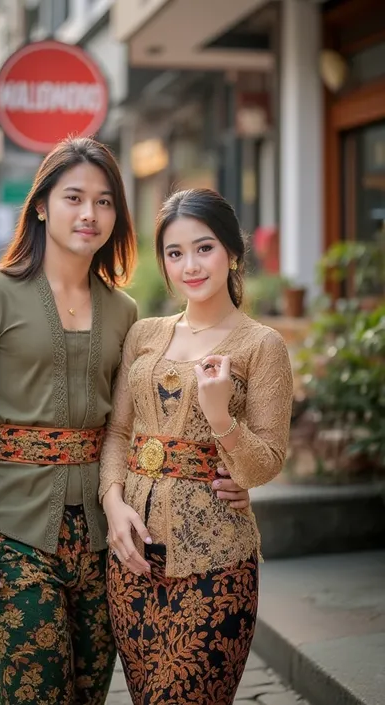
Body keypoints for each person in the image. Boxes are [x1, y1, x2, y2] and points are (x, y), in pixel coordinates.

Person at [0, 138, 250, 705]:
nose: (89, 214)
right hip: (17, 531)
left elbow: (137, 422)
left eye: (105, 202)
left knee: (90, 694)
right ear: (40, 205)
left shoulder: (124, 310)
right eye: (74, 197)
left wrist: (229, 475)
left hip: (108, 540)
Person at [100, 188, 294, 705]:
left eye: (204, 248)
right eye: (174, 252)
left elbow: (264, 464)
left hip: (217, 565)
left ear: (232, 252)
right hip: (132, 565)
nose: (190, 265)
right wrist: (112, 502)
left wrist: (218, 416)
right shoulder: (143, 335)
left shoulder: (262, 346)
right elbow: (119, 433)